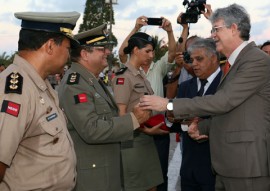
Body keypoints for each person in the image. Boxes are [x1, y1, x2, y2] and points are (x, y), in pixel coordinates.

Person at [140, 4, 270, 191]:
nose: (212, 35)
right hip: (229, 165)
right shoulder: (238, 62)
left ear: (233, 29)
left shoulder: (255, 61)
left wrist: (168, 105)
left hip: (247, 166)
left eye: (216, 29)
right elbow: (233, 112)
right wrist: (203, 127)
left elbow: (222, 102)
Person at [57, 24, 151, 191]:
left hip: (104, 169)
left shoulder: (91, 80)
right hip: (93, 177)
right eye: (101, 48)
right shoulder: (76, 84)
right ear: (85, 54)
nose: (108, 52)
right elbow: (91, 129)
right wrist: (132, 120)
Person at [0, 11, 80, 190]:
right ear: (50, 46)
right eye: (68, 49)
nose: (69, 57)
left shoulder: (39, 84)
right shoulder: (16, 90)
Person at [118, 16, 176, 191]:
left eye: (153, 52)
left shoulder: (157, 68)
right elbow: (122, 52)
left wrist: (170, 31)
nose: (152, 56)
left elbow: (172, 53)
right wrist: (135, 28)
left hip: (157, 129)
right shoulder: (127, 72)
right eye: (148, 51)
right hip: (136, 133)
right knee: (138, 180)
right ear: (136, 51)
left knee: (158, 176)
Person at [169, 38, 222, 191]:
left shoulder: (227, 85)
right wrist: (170, 118)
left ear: (213, 58)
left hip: (216, 172)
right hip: (189, 171)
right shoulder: (185, 87)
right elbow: (174, 120)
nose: (194, 64)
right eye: (192, 60)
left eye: (199, 59)